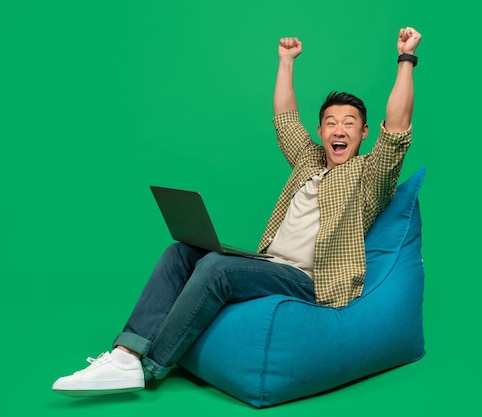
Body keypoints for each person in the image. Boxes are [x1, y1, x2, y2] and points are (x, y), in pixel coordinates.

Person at [52, 26, 422, 397]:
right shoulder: (308, 161)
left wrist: (405, 58)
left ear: (363, 133)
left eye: (349, 124)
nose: (339, 130)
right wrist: (286, 63)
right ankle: (125, 353)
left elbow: (398, 128)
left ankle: (148, 366)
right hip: (270, 264)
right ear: (321, 132)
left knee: (216, 268)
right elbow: (285, 119)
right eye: (330, 123)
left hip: (311, 281)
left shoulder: (370, 174)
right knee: (180, 252)